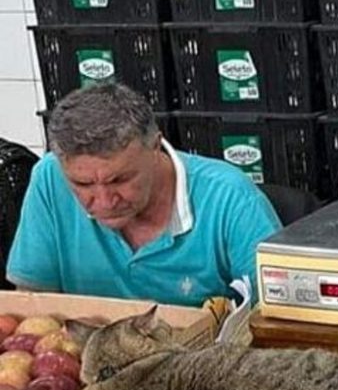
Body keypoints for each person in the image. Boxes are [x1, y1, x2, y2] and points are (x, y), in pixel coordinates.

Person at [7, 83, 281, 307]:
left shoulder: (231, 199)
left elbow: (277, 318)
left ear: (155, 148)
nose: (103, 201)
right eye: (82, 184)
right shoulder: (48, 177)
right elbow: (32, 305)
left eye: (120, 179)